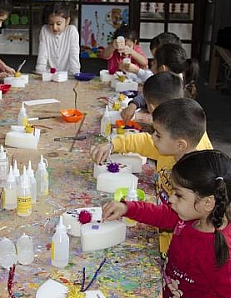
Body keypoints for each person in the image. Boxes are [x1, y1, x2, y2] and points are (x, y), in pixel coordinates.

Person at [102, 150, 231, 298]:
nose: (171, 198)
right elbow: (161, 215)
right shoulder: (193, 215)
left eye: (179, 194)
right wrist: (127, 208)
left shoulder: (218, 255)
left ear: (207, 202)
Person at [91, 97, 213, 254]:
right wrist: (113, 144)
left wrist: (129, 208)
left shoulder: (197, 178)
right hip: (168, 244)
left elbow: (170, 217)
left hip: (181, 251)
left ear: (180, 144)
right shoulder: (175, 147)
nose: (153, 137)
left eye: (158, 135)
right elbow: (142, 141)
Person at [121, 43, 200, 122]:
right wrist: (134, 104)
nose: (151, 63)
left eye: (154, 62)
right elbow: (149, 95)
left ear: (163, 68)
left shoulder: (175, 89)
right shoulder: (168, 82)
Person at [34, 2, 81, 75]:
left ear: (67, 21)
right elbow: (43, 53)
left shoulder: (72, 31)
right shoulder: (45, 30)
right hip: (48, 74)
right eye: (51, 24)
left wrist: (75, 73)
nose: (54, 28)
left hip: (68, 75)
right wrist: (40, 70)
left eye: (58, 24)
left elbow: (74, 54)